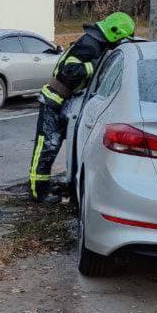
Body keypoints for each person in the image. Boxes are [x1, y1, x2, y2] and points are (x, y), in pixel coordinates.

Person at [29, 12, 135, 202]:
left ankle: (43, 187)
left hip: (63, 101)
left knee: (51, 146)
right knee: (46, 147)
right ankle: (38, 192)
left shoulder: (94, 42)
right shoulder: (89, 45)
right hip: (54, 100)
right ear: (115, 32)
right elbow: (69, 71)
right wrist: (95, 67)